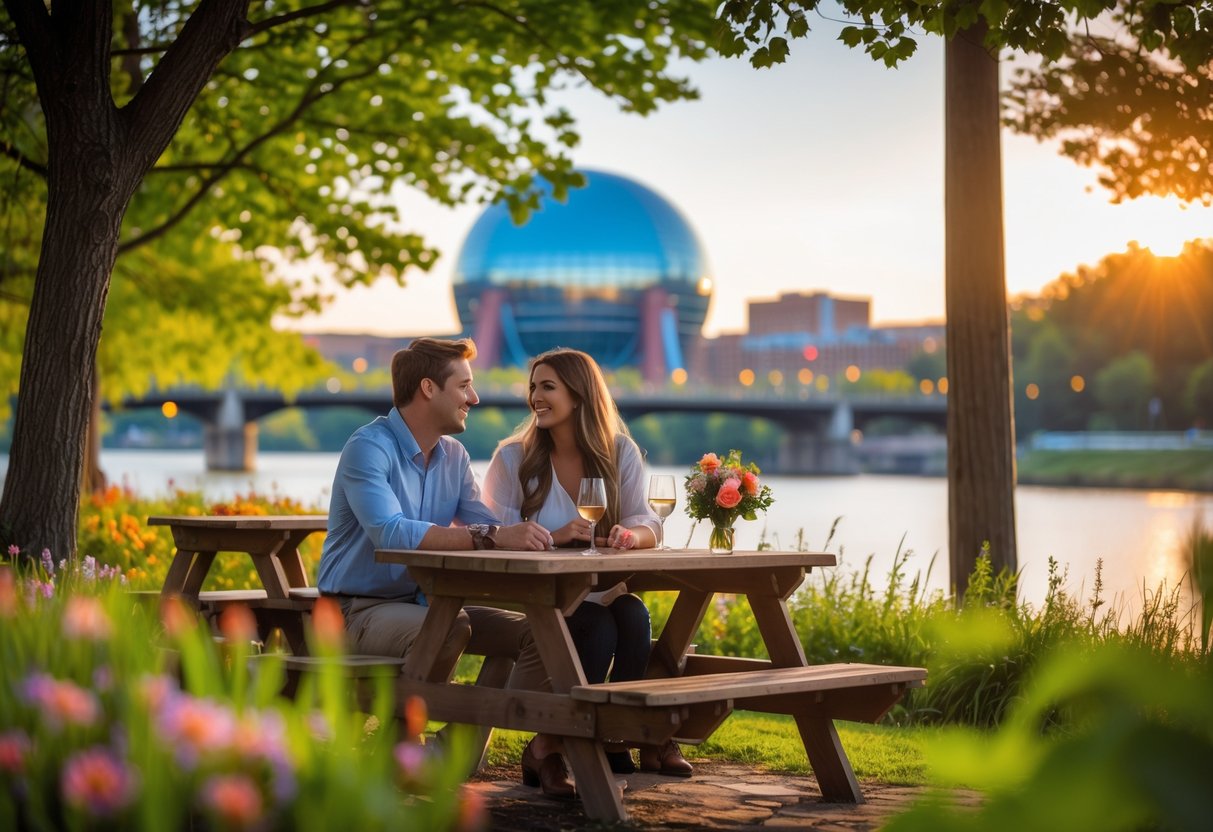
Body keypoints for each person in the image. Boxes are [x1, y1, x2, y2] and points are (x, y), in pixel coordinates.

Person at [317, 338, 577, 796]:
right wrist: (494, 537)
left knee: (534, 630)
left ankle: (455, 744)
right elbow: (391, 533)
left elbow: (489, 528)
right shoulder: (368, 449)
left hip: (427, 604)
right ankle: (403, 746)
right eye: (465, 386)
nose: (474, 398)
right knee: (450, 628)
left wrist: (548, 538)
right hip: (353, 611)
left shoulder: (453, 457)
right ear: (428, 389)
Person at [483, 347, 693, 780]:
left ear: (578, 395)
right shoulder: (512, 459)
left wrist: (631, 536)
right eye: (533, 387)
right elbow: (491, 534)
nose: (535, 397)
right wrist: (554, 537)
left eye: (547, 387)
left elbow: (650, 523)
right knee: (597, 624)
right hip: (540, 600)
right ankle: (550, 745)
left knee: (632, 613)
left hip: (599, 592)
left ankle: (620, 737)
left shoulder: (620, 452)